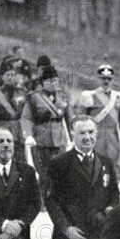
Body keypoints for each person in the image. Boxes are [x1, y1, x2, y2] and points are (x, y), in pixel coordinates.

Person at [21, 65, 73, 202]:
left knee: (61, 171)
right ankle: (42, 201)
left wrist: (72, 137)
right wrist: (29, 135)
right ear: (42, 83)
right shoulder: (34, 98)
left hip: (59, 140)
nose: (54, 83)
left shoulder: (63, 96)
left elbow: (69, 118)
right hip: (41, 141)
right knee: (43, 174)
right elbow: (26, 118)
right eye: (50, 81)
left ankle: (58, 199)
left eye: (55, 80)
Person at [78, 63, 120, 191]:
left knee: (114, 170)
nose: (106, 81)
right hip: (95, 137)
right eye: (103, 78)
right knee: (94, 168)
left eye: (109, 78)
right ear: (98, 79)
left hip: (113, 138)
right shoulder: (89, 96)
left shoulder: (119, 97)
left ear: (113, 79)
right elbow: (80, 121)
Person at [0, 63, 28, 162]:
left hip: (18, 132)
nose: (10, 78)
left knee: (20, 161)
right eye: (7, 75)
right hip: (3, 132)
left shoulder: (23, 92)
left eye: (12, 75)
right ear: (2, 77)